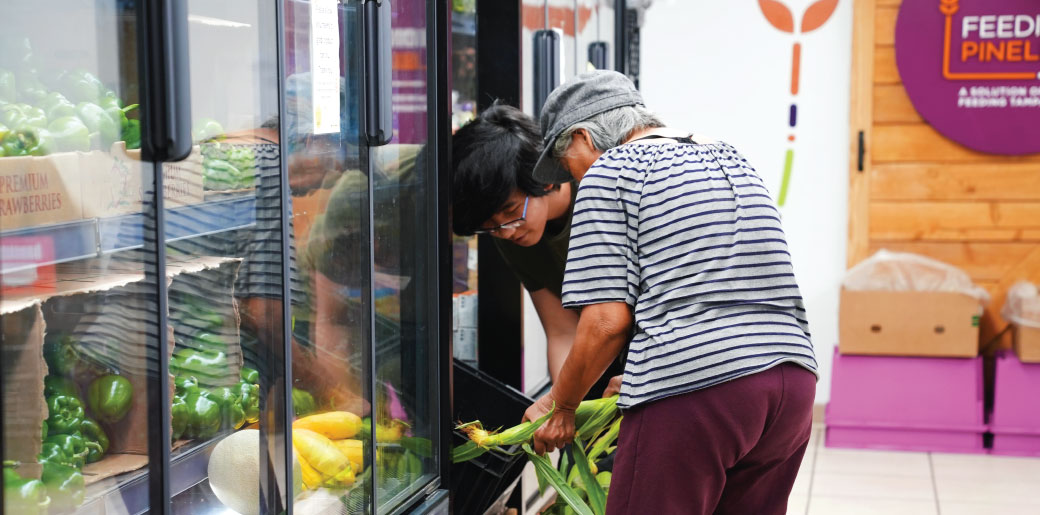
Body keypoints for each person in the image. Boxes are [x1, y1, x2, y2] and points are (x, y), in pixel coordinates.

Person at [523, 70, 818, 515]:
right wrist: (647, 374)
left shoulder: (612, 170)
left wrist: (561, 407)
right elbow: (718, 288)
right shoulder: (730, 155)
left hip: (701, 392)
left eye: (568, 166)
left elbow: (606, 321)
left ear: (583, 136)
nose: (575, 179)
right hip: (791, 385)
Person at [452, 103, 622, 392]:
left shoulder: (599, 193)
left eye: (510, 210)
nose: (505, 231)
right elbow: (562, 331)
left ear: (540, 178)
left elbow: (614, 321)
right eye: (490, 224)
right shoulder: (513, 233)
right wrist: (561, 408)